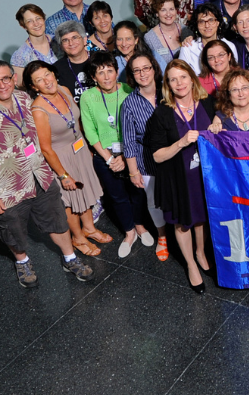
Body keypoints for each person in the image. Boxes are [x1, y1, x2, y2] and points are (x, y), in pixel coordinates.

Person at [0, 60, 94, 287]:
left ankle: (70, 258)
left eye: (6, 78)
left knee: (57, 219)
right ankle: (22, 261)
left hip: (39, 177)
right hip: (5, 190)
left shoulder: (23, 99)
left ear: (14, 79)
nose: (2, 85)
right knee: (13, 232)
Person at [144, 60, 217, 293]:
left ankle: (201, 252)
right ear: (167, 84)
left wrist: (218, 125)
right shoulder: (162, 113)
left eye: (183, 77)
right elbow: (156, 156)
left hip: (205, 176)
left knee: (202, 217)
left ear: (192, 78)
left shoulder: (206, 103)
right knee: (184, 222)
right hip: (178, 179)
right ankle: (191, 264)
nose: (179, 83)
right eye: (173, 79)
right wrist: (181, 142)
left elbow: (220, 123)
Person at [24, 61, 107, 257]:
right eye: (39, 80)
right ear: (34, 87)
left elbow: (75, 120)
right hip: (60, 157)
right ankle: (77, 237)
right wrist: (63, 175)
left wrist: (85, 144)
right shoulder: (39, 110)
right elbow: (45, 148)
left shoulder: (64, 89)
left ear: (54, 73)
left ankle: (89, 228)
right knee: (69, 199)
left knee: (84, 189)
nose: (47, 81)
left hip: (78, 148)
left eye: (48, 74)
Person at [79, 52, 153, 258]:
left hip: (131, 153)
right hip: (105, 157)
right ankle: (129, 232)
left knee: (137, 193)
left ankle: (140, 226)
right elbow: (90, 132)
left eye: (109, 71)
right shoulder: (88, 97)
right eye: (100, 73)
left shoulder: (130, 90)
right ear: (93, 77)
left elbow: (138, 126)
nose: (106, 77)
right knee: (117, 197)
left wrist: (124, 157)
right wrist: (110, 158)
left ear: (117, 71)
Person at [122, 52, 172, 262]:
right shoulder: (129, 104)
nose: (143, 73)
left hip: (175, 154)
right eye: (137, 70)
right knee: (154, 201)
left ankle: (181, 233)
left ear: (154, 68)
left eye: (146, 68)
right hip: (147, 160)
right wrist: (133, 171)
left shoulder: (169, 92)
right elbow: (129, 141)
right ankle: (162, 237)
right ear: (132, 75)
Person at [179, 3, 238, 75]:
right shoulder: (188, 47)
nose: (207, 25)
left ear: (218, 22)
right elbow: (181, 74)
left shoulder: (230, 46)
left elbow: (234, 74)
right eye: (201, 21)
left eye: (211, 20)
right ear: (196, 25)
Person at [10, 4, 57, 83]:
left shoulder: (59, 41)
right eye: (29, 21)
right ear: (23, 26)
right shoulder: (20, 56)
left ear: (44, 19)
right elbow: (22, 86)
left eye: (38, 18)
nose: (36, 24)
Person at [54, 20, 94, 104]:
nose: (71, 43)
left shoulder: (101, 59)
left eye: (75, 37)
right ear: (61, 46)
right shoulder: (56, 69)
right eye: (65, 40)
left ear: (85, 40)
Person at [144, 0, 186, 66]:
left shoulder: (186, 30)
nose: (168, 14)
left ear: (176, 11)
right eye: (163, 10)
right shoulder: (149, 38)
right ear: (157, 13)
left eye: (171, 9)